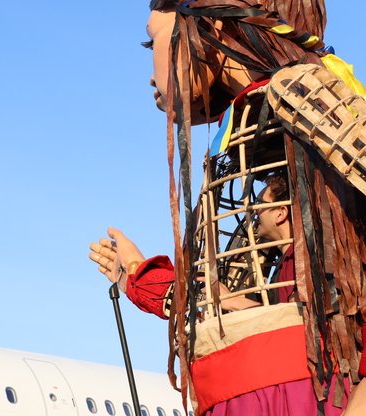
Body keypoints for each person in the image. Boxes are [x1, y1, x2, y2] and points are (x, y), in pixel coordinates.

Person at [88, 1, 366, 414]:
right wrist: (137, 276)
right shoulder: (255, 130)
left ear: (211, 26)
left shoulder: (308, 97)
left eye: (154, 41)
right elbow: (227, 303)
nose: (151, 73)